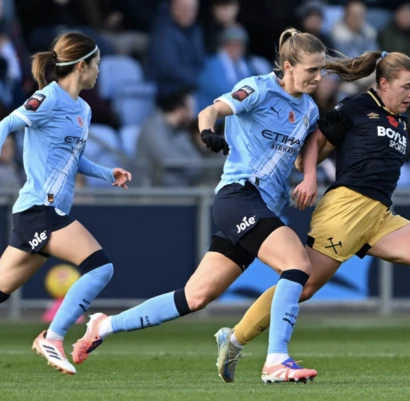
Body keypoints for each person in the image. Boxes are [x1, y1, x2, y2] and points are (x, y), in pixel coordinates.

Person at [71, 28, 358, 384]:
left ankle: (105, 324)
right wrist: (208, 131)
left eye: (320, 71)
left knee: (195, 296)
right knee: (297, 265)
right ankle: (276, 360)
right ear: (287, 66)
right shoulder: (258, 88)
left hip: (262, 208)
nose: (317, 78)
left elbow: (311, 142)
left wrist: (311, 176)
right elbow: (212, 109)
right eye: (311, 70)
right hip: (239, 197)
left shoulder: (308, 108)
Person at [214, 51, 410, 383]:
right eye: (407, 86)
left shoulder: (400, 120)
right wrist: (309, 176)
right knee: (303, 286)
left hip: (379, 215)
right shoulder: (355, 107)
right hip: (345, 210)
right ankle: (233, 339)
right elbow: (314, 143)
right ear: (383, 83)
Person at [0, 32, 132, 375]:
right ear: (82, 65)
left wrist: (107, 173)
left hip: (44, 214)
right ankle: (53, 337)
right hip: (39, 210)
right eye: (97, 64)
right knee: (101, 267)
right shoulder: (47, 98)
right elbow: (6, 123)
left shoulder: (83, 109)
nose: (100, 71)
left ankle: (52, 336)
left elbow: (74, 158)